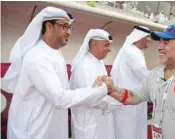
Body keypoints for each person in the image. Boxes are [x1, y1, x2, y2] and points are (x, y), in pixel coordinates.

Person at [3, 7, 109, 139]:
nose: (69, 32)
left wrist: (93, 87)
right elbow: (59, 98)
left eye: (70, 27)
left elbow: (63, 89)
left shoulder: (55, 53)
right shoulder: (38, 56)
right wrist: (102, 91)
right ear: (49, 26)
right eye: (65, 26)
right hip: (32, 131)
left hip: (50, 125)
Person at [98, 24, 175, 139]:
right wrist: (111, 89)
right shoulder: (155, 75)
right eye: (159, 42)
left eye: (166, 43)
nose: (159, 47)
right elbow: (133, 96)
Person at [69, 29, 122, 139]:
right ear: (94, 44)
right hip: (89, 121)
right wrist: (117, 101)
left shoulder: (98, 62)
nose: (109, 49)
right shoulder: (83, 65)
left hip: (101, 119)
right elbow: (91, 98)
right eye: (106, 45)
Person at [110, 26, 151, 139]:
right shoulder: (132, 51)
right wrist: (162, 78)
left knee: (131, 127)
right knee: (128, 129)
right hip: (130, 99)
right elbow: (142, 73)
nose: (150, 40)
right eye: (148, 37)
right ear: (141, 37)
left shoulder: (132, 50)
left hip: (131, 97)